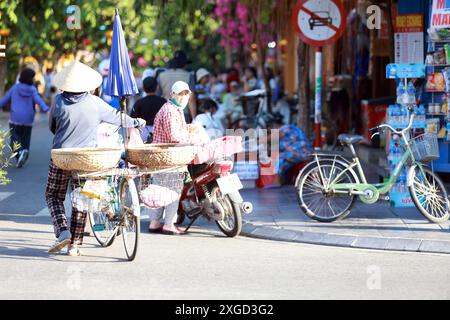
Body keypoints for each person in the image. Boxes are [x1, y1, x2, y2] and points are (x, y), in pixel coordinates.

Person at [46, 61, 146, 256]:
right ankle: (74, 245)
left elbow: (52, 127)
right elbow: (120, 118)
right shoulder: (95, 102)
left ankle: (63, 231)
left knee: (53, 196)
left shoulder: (58, 101)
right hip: (87, 159)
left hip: (62, 157)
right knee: (81, 199)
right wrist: (137, 122)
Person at [149, 81, 198, 235]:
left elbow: (175, 131)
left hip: (163, 157)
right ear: (172, 94)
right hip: (169, 157)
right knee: (173, 189)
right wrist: (191, 138)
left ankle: (155, 222)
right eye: (180, 94)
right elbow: (174, 136)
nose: (183, 97)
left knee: (161, 189)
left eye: (186, 94)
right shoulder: (170, 110)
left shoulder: (175, 109)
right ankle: (169, 224)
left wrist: (188, 128)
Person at [0, 68, 50, 168]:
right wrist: (47, 109)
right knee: (25, 139)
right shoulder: (32, 89)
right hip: (28, 119)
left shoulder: (15, 87)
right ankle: (23, 153)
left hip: (15, 118)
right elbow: (38, 100)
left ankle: (19, 154)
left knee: (14, 140)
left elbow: (5, 99)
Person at [267, 114, 312, 183]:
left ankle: (276, 183)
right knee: (279, 156)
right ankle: (283, 181)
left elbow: (273, 136)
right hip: (299, 153)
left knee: (279, 159)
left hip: (302, 153)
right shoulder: (286, 132)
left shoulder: (285, 128)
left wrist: (257, 141)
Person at [156, 50, 196, 120]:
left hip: (166, 112)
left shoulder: (161, 75)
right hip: (183, 113)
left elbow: (157, 96)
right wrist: (194, 118)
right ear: (184, 63)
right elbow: (191, 98)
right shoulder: (189, 75)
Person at [130, 76, 166, 143]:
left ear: (143, 88)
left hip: (142, 134)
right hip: (160, 132)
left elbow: (132, 121)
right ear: (157, 87)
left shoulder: (139, 103)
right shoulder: (163, 102)